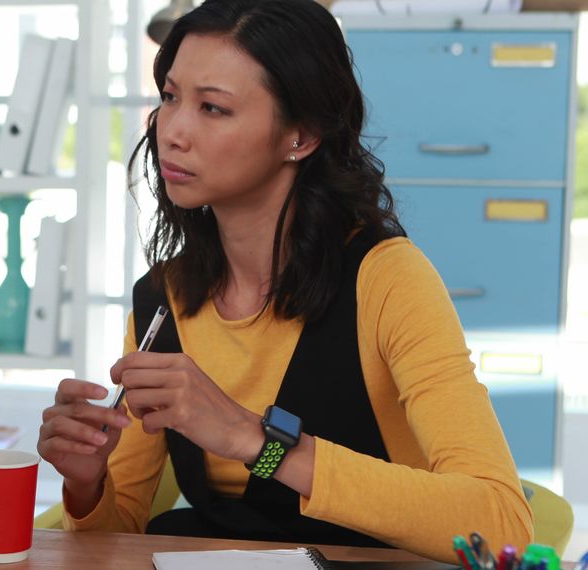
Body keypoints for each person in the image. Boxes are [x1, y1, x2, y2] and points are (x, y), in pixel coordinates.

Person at [35, 0, 533, 564]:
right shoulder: (162, 298)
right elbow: (115, 535)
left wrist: (257, 443)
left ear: (301, 135)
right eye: (170, 97)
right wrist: (86, 484)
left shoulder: (387, 279)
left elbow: (498, 522)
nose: (171, 131)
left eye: (213, 108)